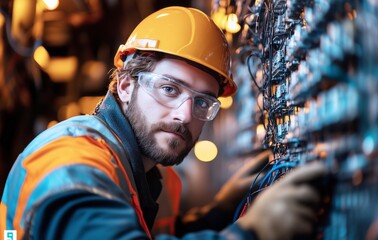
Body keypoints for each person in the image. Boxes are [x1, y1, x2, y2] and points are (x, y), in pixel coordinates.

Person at [0, 6, 328, 240]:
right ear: (126, 85)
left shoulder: (156, 178)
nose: (185, 115)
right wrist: (254, 232)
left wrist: (218, 213)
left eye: (202, 102)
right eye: (169, 89)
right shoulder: (73, 165)